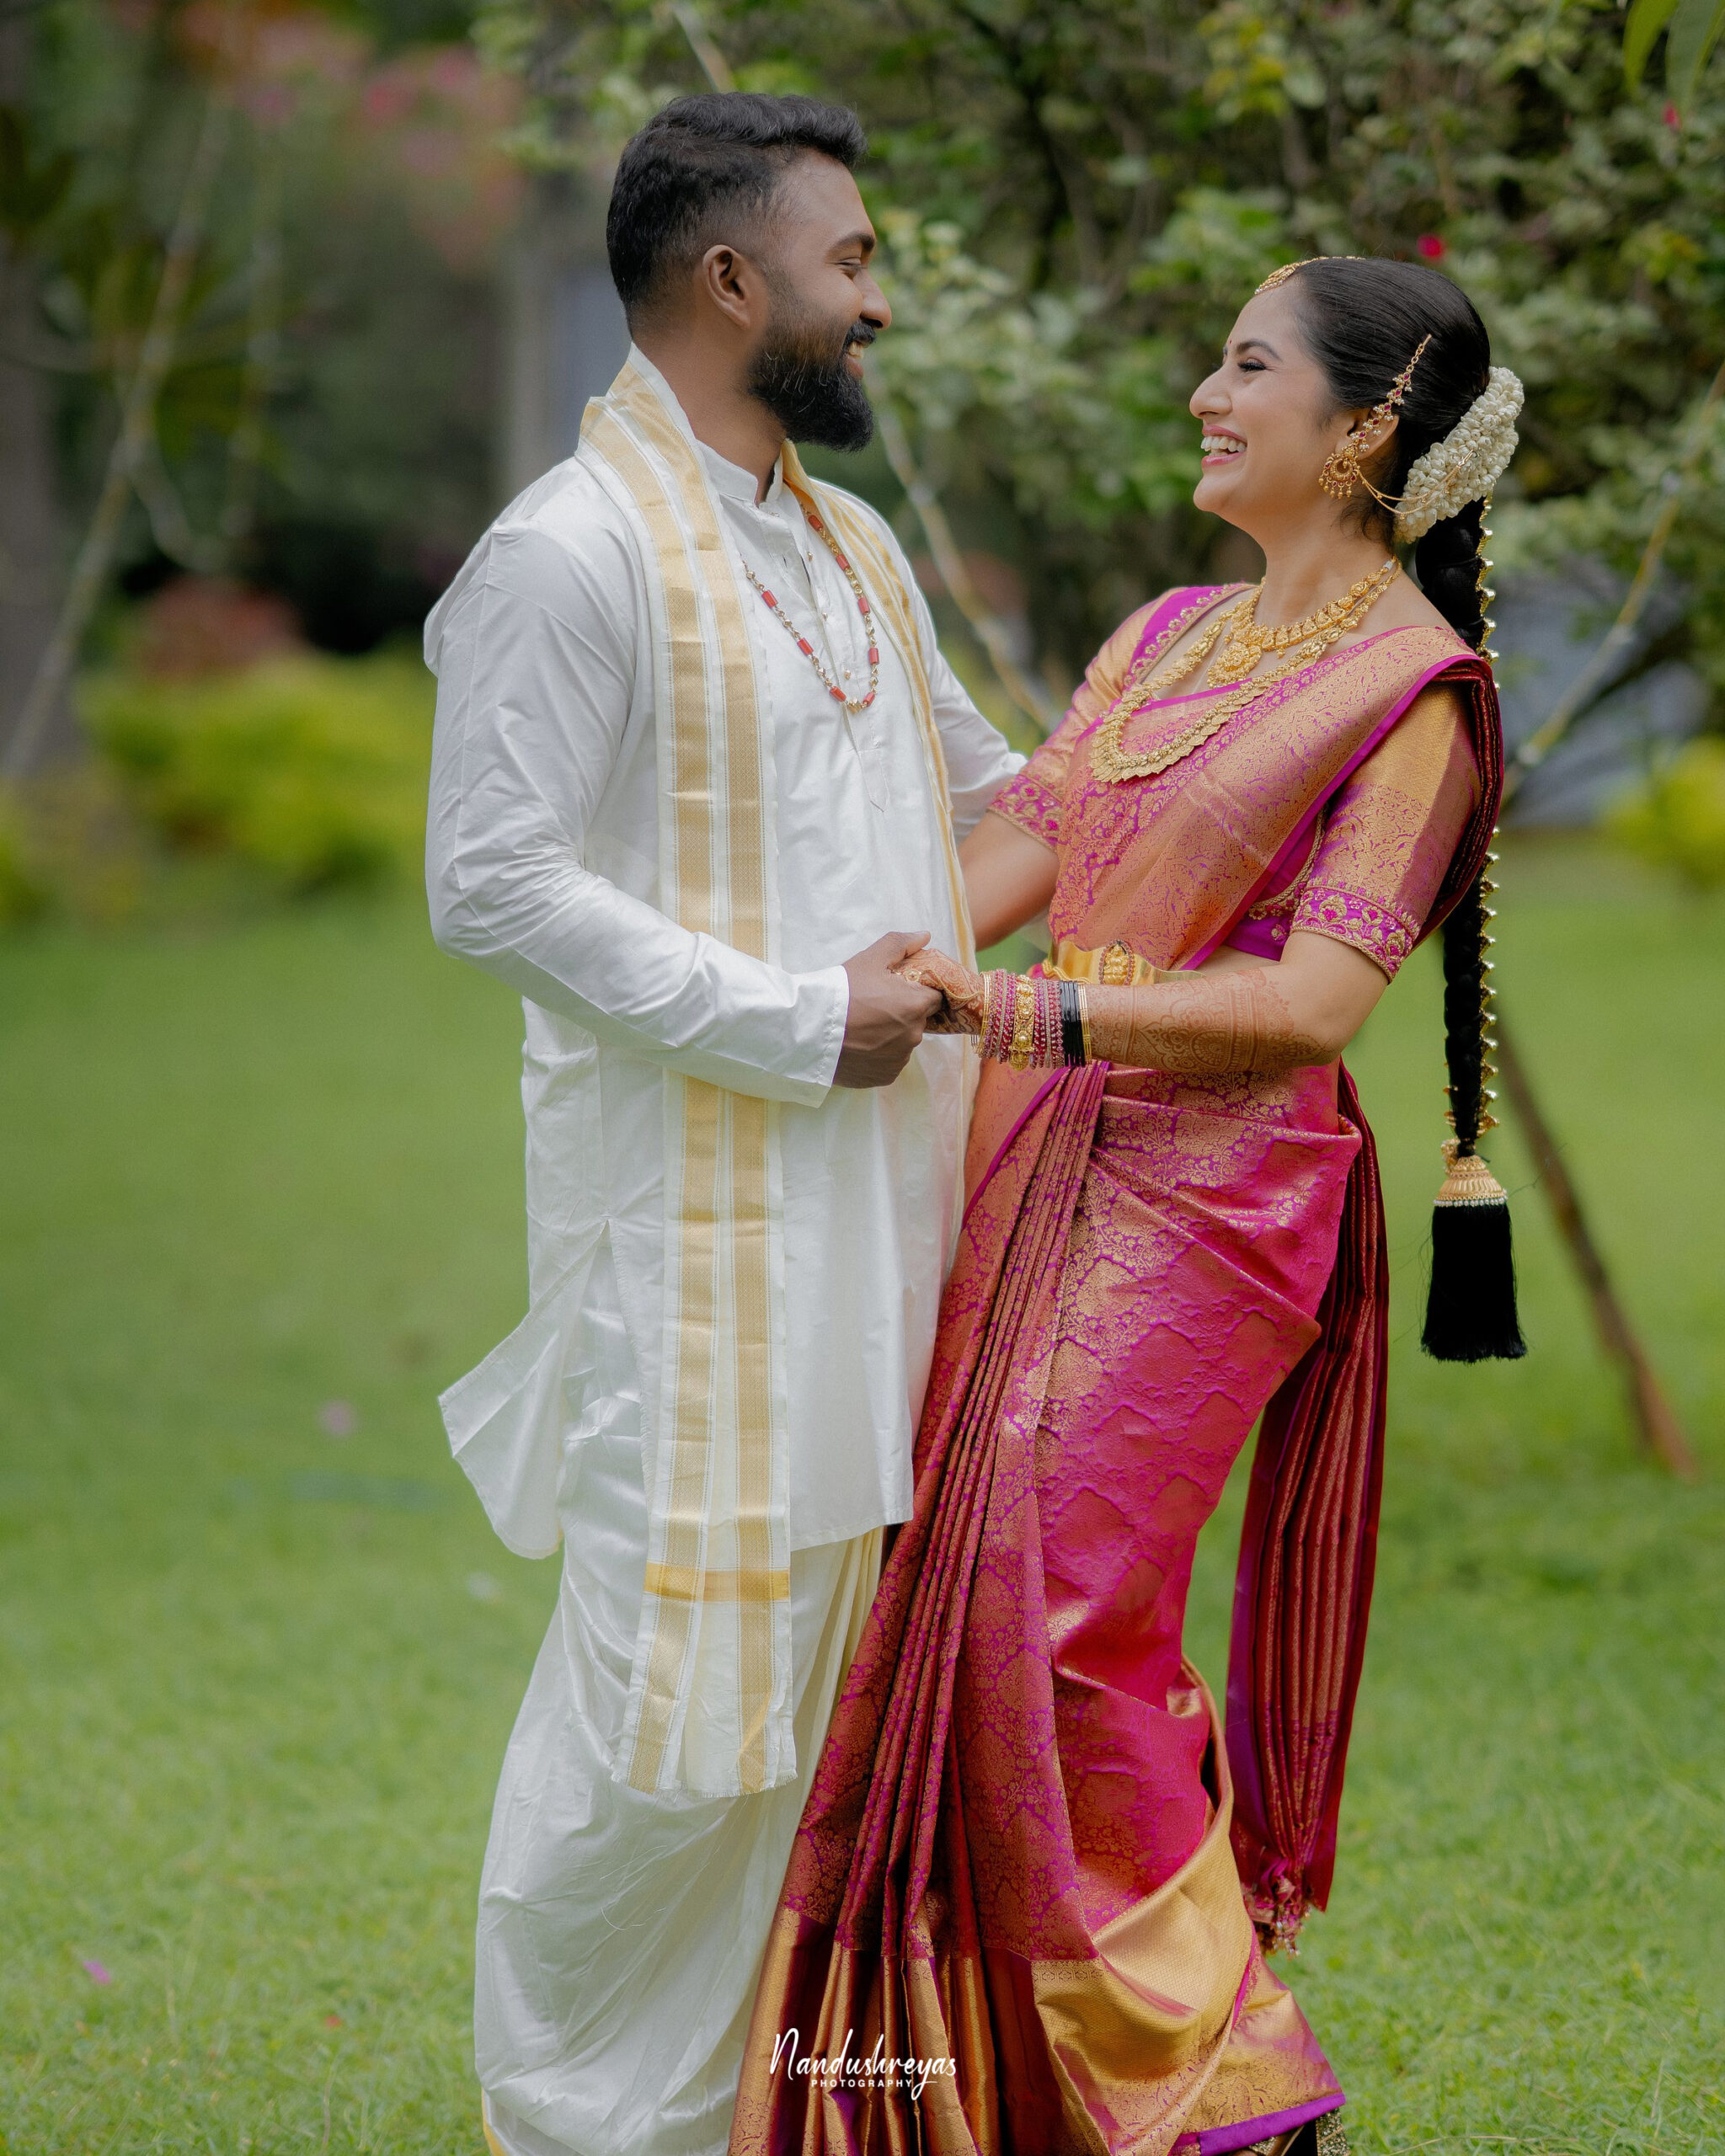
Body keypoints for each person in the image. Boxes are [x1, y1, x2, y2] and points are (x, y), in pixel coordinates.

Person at [729, 256, 1526, 2155]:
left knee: (1058, 1612)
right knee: (947, 1592)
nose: (1202, 396)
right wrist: (772, 975)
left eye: (1245, 366)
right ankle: (1011, 2086)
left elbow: (1316, 1004)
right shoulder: (1168, 632)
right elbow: (1011, 852)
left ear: (1364, 428)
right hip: (1031, 1155)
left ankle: (1222, 2083)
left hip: (1218, 1196)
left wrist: (1020, 1010)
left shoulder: (1417, 693)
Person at [422, 92, 1022, 2156]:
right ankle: (577, 2121)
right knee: (658, 1718)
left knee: (833, 1688)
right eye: (852, 262)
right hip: (694, 1235)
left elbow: (1000, 807)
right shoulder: (567, 550)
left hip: (893, 1201)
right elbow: (487, 879)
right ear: (732, 278)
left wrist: (1273, 709)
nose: (880, 302)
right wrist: (792, 1015)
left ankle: (769, 2106)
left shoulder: (851, 548)